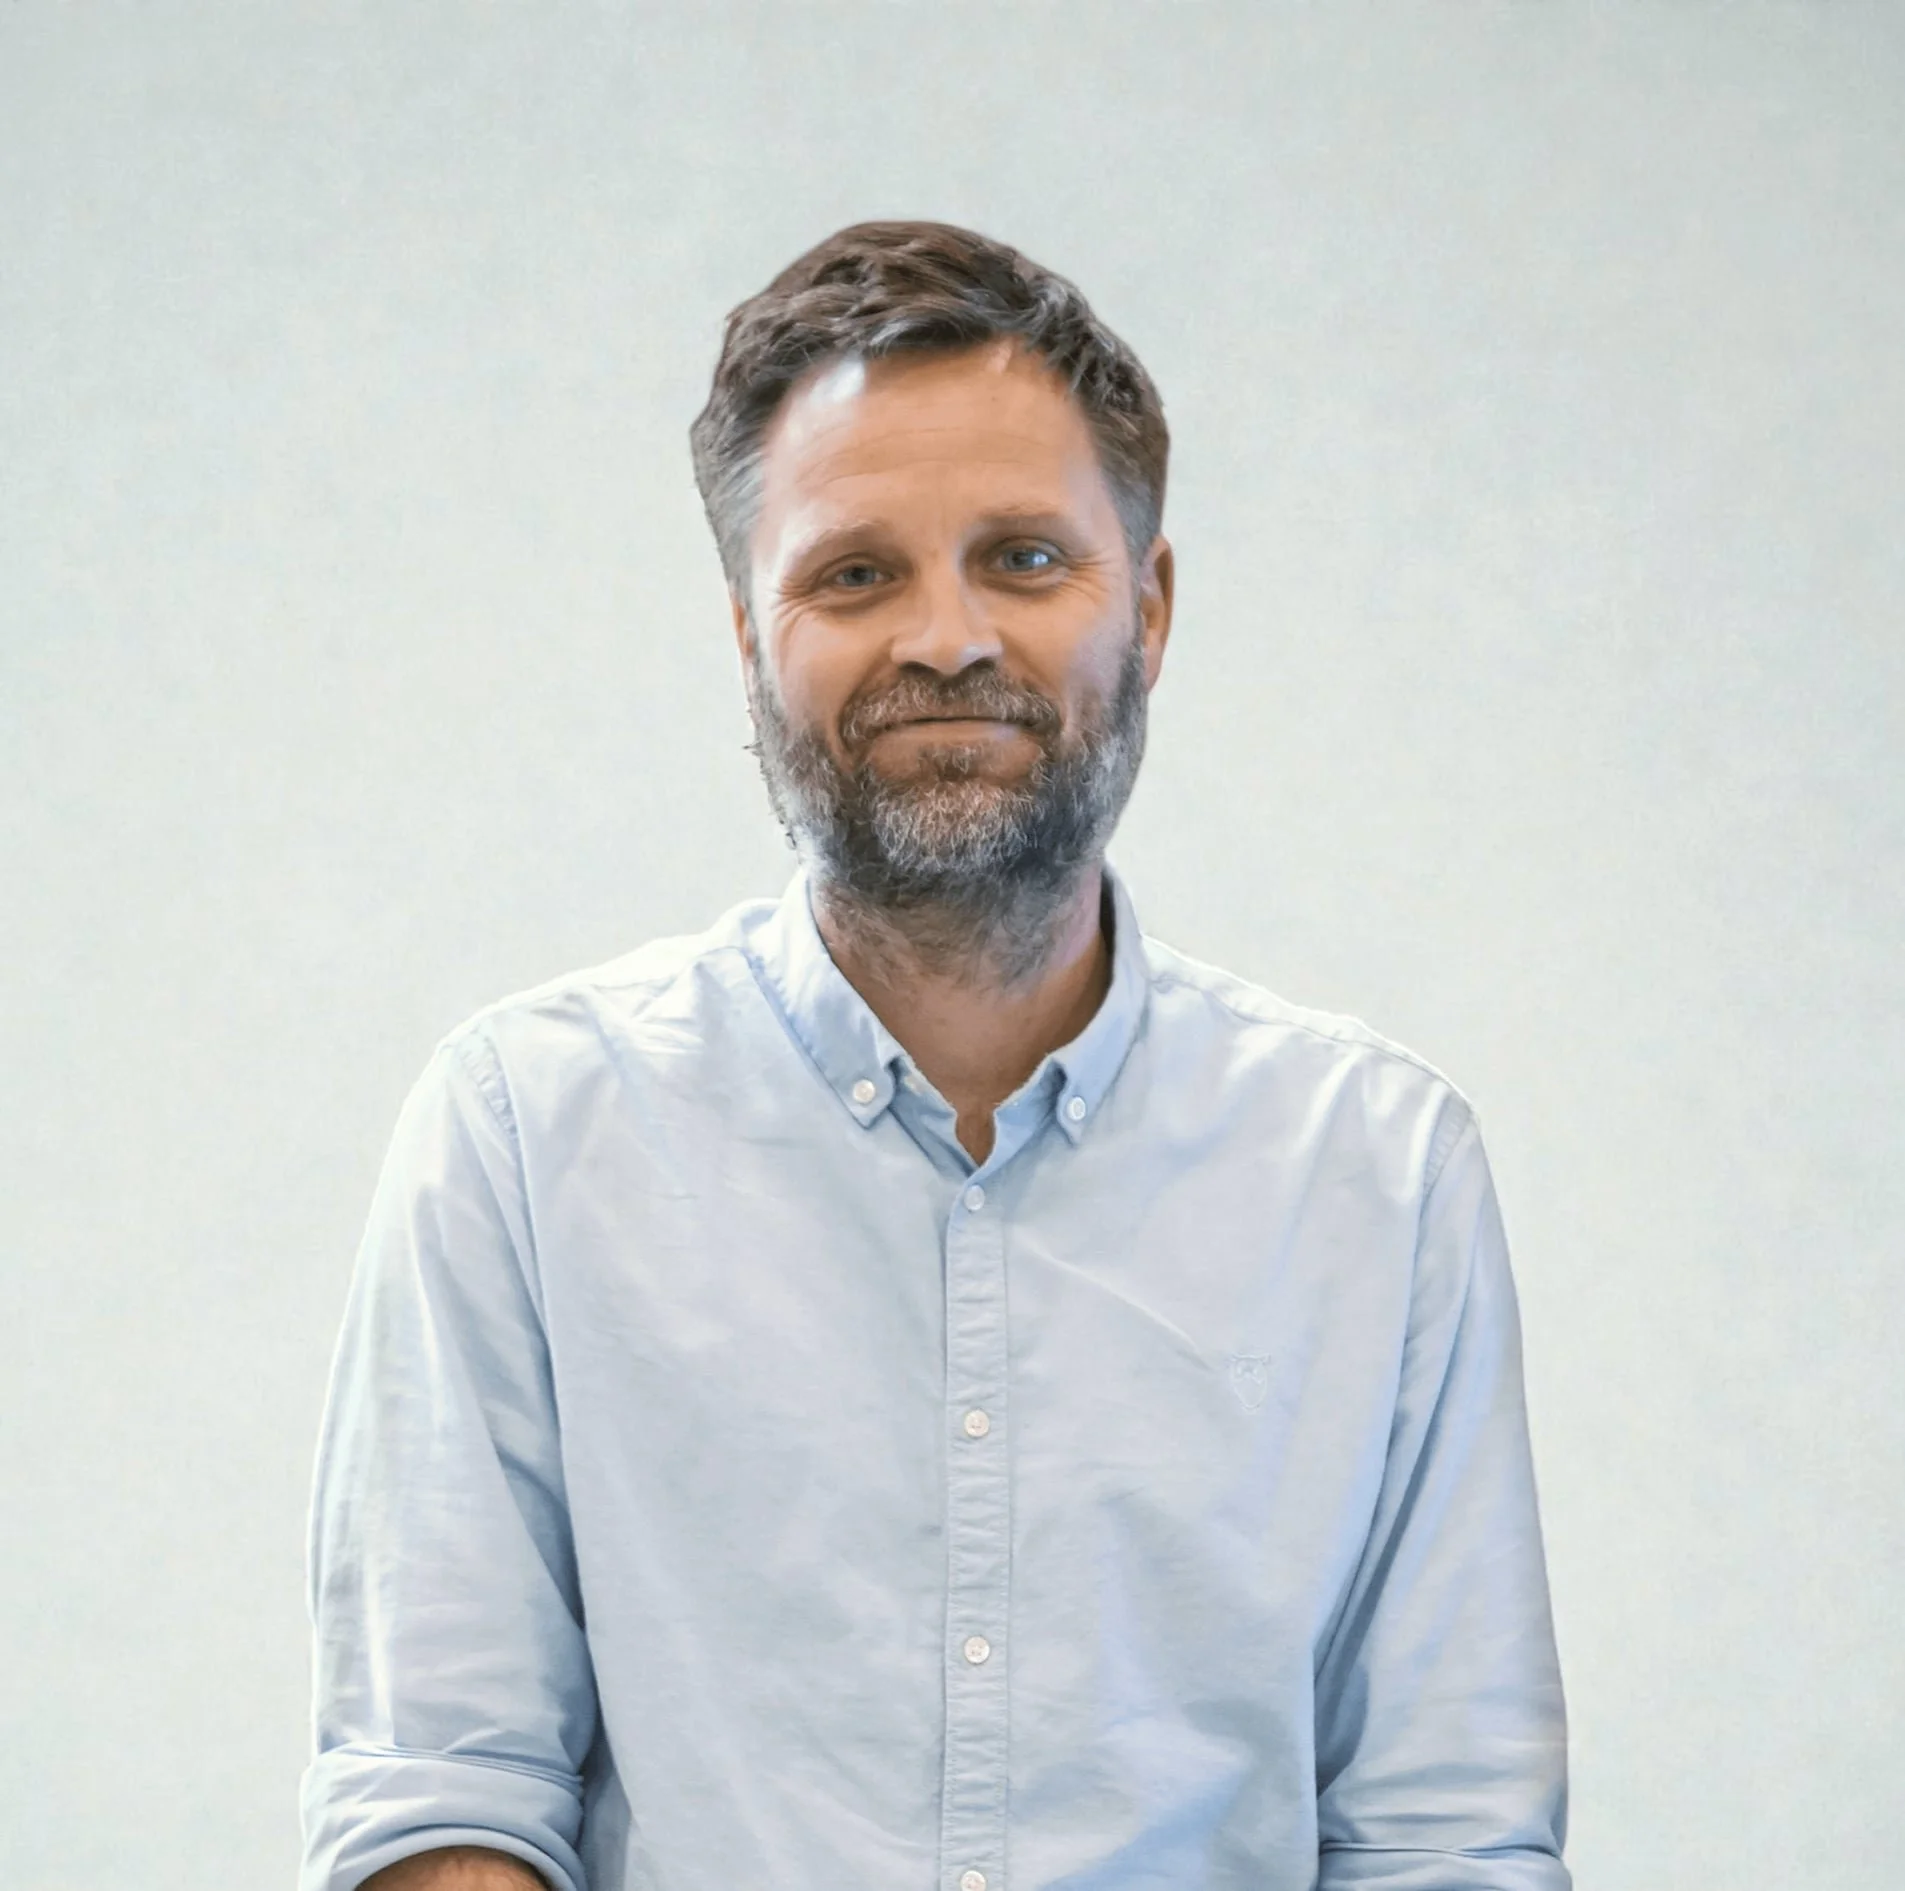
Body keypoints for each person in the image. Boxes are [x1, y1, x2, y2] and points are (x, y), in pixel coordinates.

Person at [300, 220, 1571, 1891]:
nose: (947, 637)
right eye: (854, 572)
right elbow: (437, 1793)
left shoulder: (1378, 1171)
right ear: (749, 641)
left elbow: (1447, 1841)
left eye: (1027, 559)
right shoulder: (529, 1135)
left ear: (1154, 605)